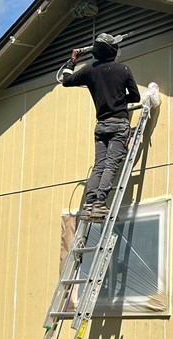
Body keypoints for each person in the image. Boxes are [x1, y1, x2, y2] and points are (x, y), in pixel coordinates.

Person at [60, 33, 140, 220]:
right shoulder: (123, 70)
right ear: (112, 51)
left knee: (99, 165)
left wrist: (73, 60)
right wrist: (120, 100)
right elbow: (135, 97)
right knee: (111, 164)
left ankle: (88, 205)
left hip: (101, 125)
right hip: (118, 124)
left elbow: (66, 80)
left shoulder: (90, 70)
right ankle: (99, 204)